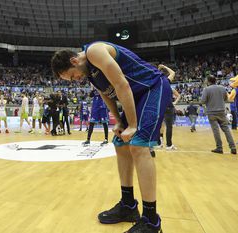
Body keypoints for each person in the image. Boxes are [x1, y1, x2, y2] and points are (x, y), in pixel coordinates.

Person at [51, 41, 170, 233]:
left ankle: (151, 221)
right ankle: (128, 205)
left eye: (72, 76)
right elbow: (106, 94)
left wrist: (132, 124)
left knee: (138, 145)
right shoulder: (88, 71)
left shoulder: (95, 52)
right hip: (136, 96)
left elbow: (121, 84)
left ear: (74, 61)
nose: (75, 80)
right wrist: (119, 122)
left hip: (152, 87)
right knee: (120, 144)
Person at [200, 75, 237, 154]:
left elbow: (202, 101)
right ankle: (233, 147)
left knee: (216, 130)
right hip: (221, 111)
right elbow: (226, 99)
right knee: (226, 129)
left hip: (211, 112)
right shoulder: (222, 88)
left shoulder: (206, 89)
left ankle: (219, 148)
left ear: (209, 81)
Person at [158, 64, 180, 151]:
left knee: (159, 126)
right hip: (168, 107)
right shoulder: (166, 81)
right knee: (168, 126)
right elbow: (173, 72)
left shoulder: (155, 83)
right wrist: (164, 66)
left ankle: (159, 144)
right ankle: (169, 145)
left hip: (159, 107)